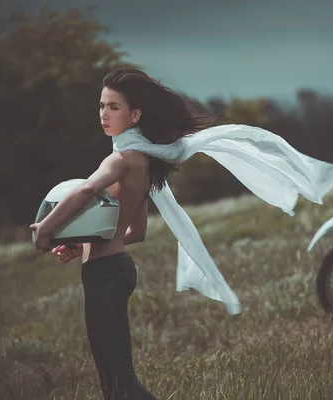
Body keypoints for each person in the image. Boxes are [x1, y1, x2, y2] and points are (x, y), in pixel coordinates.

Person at [29, 68, 211, 400]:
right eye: (101, 105)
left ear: (135, 114)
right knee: (116, 383)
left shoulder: (121, 159)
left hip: (105, 276)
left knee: (118, 385)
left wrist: (47, 228)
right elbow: (135, 231)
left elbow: (86, 189)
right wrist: (82, 247)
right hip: (116, 269)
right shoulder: (142, 159)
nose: (103, 114)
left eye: (113, 107)